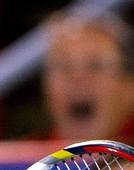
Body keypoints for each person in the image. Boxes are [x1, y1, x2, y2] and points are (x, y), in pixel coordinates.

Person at [41, 13, 134, 144]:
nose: (78, 78)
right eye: (64, 67)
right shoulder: (15, 159)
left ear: (130, 88)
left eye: (95, 66)